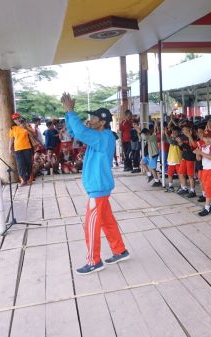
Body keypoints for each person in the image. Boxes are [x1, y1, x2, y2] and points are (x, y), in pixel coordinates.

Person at [61, 93, 129, 275]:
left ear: (102, 122)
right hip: (100, 188)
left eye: (93, 117)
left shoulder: (103, 137)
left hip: (98, 189)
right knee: (107, 221)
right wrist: (69, 115)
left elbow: (81, 132)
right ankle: (120, 250)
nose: (90, 120)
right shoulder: (100, 136)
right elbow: (76, 132)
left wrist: (70, 111)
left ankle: (94, 261)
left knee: (91, 225)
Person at [195, 129, 211, 216]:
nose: (208, 139)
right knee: (206, 188)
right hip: (205, 169)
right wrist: (197, 153)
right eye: (205, 138)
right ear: (203, 138)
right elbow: (198, 159)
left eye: (209, 137)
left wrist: (200, 152)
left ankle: (207, 208)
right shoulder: (202, 146)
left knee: (208, 188)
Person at [9, 113, 36, 186]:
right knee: (20, 164)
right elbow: (11, 139)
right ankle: (23, 180)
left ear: (20, 118)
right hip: (17, 149)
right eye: (14, 119)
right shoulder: (13, 128)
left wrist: (26, 127)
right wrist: (10, 148)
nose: (16, 120)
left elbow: (33, 134)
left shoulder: (27, 126)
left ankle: (29, 179)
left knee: (28, 163)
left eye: (17, 118)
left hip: (27, 148)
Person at [178, 123, 198, 198]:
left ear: (190, 130)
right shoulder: (183, 137)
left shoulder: (193, 137)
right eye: (183, 130)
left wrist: (189, 136)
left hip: (191, 159)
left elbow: (192, 147)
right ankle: (184, 188)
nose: (184, 131)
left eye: (186, 130)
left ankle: (192, 190)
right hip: (184, 158)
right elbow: (182, 148)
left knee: (190, 175)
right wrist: (180, 144)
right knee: (181, 173)